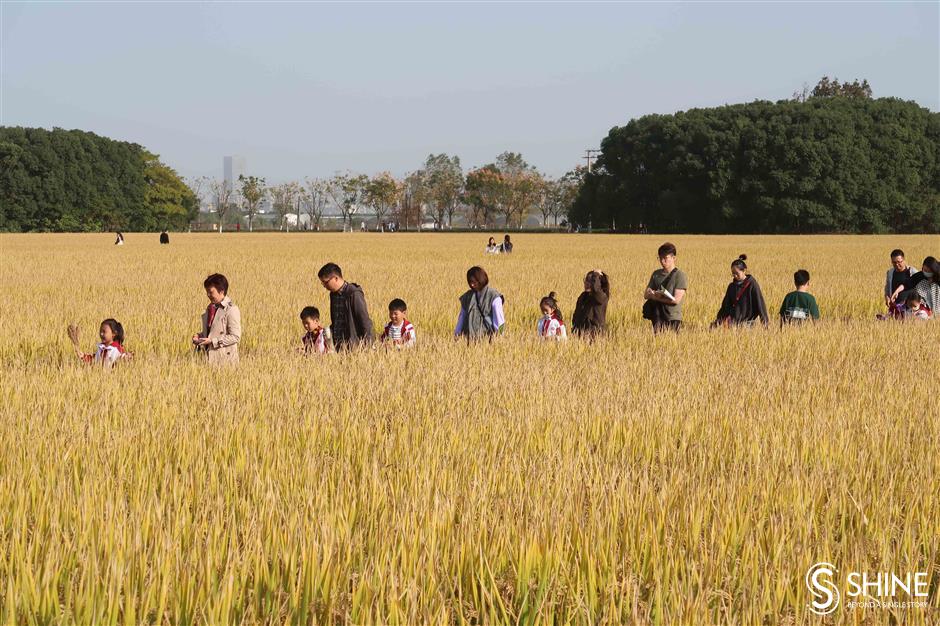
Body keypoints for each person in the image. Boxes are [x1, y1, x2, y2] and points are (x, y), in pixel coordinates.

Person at [317, 262, 374, 350]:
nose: (324, 286)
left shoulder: (353, 293)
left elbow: (364, 320)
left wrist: (368, 346)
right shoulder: (333, 295)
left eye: (326, 282)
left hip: (354, 346)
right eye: (322, 283)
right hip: (337, 346)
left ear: (335, 278)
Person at [192, 273, 241, 365]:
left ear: (221, 291)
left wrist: (212, 341)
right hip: (208, 359)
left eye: (211, 292)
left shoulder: (231, 310)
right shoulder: (210, 308)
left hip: (225, 362)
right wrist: (199, 336)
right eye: (207, 292)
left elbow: (235, 337)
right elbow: (212, 331)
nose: (208, 295)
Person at [643, 242, 688, 333]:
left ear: (674, 258)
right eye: (660, 258)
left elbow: (675, 300)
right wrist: (651, 293)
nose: (662, 261)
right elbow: (646, 294)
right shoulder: (656, 274)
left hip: (672, 318)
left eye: (665, 258)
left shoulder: (680, 275)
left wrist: (656, 297)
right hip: (657, 316)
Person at [712, 255, 769, 327]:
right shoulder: (731, 287)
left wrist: (765, 324)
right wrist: (718, 321)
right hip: (732, 323)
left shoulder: (752, 285)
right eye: (733, 273)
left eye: (737, 273)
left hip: (747, 325)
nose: (735, 275)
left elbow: (760, 305)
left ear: (744, 270)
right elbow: (725, 306)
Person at [455, 266, 505, 340]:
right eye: (470, 282)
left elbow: (499, 320)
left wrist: (500, 337)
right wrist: (457, 334)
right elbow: (462, 317)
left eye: (474, 282)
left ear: (480, 280)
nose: (472, 285)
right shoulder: (467, 297)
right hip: (468, 339)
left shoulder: (494, 296)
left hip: (487, 339)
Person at [67, 318, 131, 367]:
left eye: (104, 331)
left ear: (114, 333)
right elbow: (95, 359)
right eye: (100, 331)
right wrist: (83, 356)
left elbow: (124, 357)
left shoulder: (117, 348)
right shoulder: (101, 348)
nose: (101, 334)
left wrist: (127, 357)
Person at [572, 270, 610, 337]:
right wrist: (575, 327)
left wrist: (596, 275)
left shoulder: (601, 296)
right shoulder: (583, 296)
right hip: (580, 333)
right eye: (586, 280)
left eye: (590, 281)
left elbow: (596, 290)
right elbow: (577, 314)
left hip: (595, 334)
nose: (586, 283)